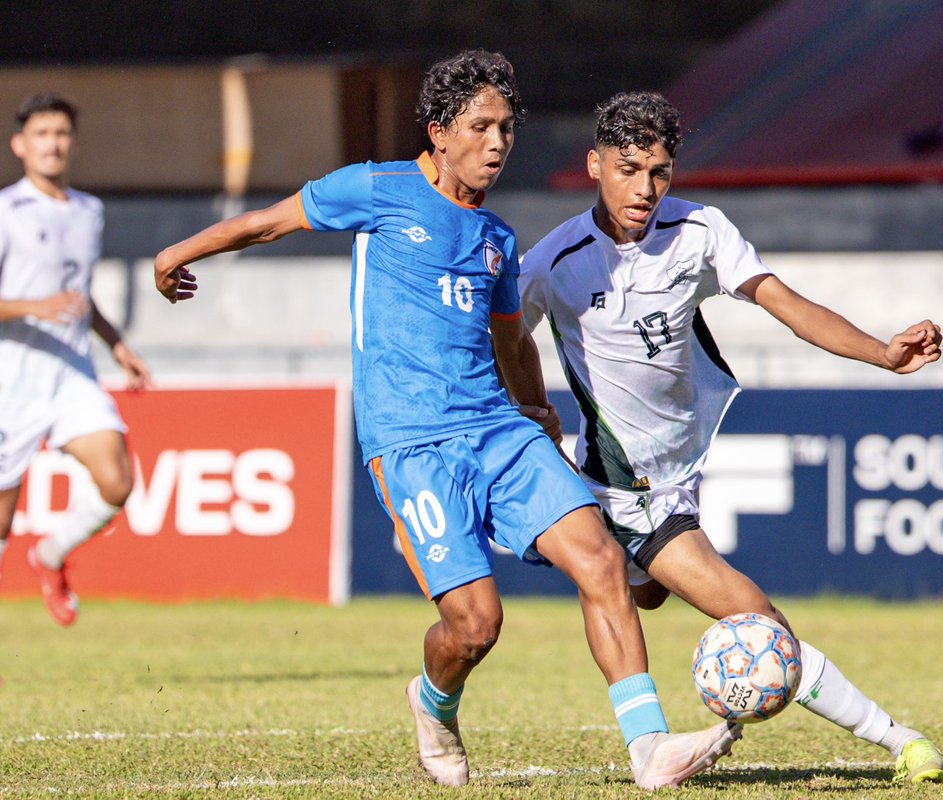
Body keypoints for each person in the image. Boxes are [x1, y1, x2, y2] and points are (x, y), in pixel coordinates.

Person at [152, 52, 740, 790]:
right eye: (480, 127)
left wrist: (537, 408)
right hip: (410, 443)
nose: (497, 143)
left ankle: (648, 746)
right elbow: (268, 223)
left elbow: (508, 337)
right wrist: (174, 254)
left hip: (499, 430)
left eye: (506, 129)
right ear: (438, 131)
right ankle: (433, 702)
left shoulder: (495, 238)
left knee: (597, 560)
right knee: (475, 626)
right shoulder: (378, 189)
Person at [518, 91, 943, 784]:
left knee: (644, 595)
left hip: (676, 476)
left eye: (658, 171)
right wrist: (528, 409)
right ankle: (901, 741)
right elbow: (502, 336)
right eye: (627, 169)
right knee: (758, 621)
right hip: (612, 486)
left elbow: (785, 304)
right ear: (595, 164)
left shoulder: (700, 231)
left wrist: (881, 353)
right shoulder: (554, 260)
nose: (644, 188)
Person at [0, 92, 152, 627]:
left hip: (70, 373)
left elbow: (78, 296)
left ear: (74, 143)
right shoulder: (5, 211)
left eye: (61, 134)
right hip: (11, 379)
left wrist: (116, 344)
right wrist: (32, 306)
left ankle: (50, 554)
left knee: (116, 481)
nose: (52, 143)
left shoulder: (89, 211)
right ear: (20, 145)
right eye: (42, 134)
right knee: (1, 517)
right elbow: (46, 299)